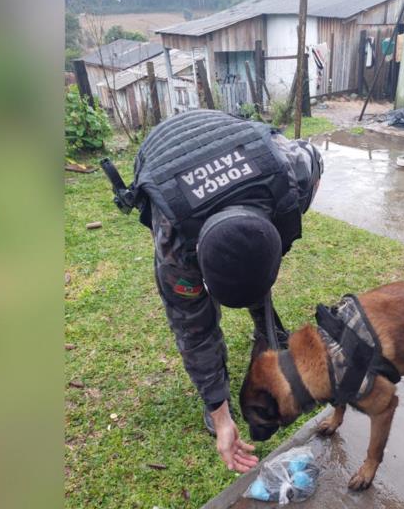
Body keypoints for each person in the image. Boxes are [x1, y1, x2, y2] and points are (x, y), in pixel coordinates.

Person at [104, 109, 323, 473]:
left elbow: (316, 158)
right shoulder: (175, 244)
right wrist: (220, 415)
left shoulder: (287, 169)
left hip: (228, 136)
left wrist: (287, 220)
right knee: (196, 318)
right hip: (164, 154)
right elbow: (194, 332)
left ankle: (265, 325)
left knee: (247, 255)